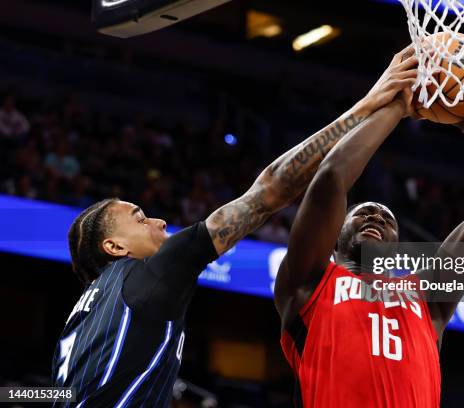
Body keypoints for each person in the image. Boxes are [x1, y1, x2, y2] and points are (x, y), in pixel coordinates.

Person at [50, 46, 418, 407]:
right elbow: (271, 191)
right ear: (115, 247)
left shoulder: (76, 327)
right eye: (141, 219)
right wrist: (371, 104)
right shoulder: (146, 277)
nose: (160, 221)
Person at [274, 46, 464, 407]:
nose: (375, 218)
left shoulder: (426, 297)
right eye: (363, 213)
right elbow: (331, 178)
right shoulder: (309, 282)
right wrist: (398, 107)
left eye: (387, 220)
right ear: (334, 237)